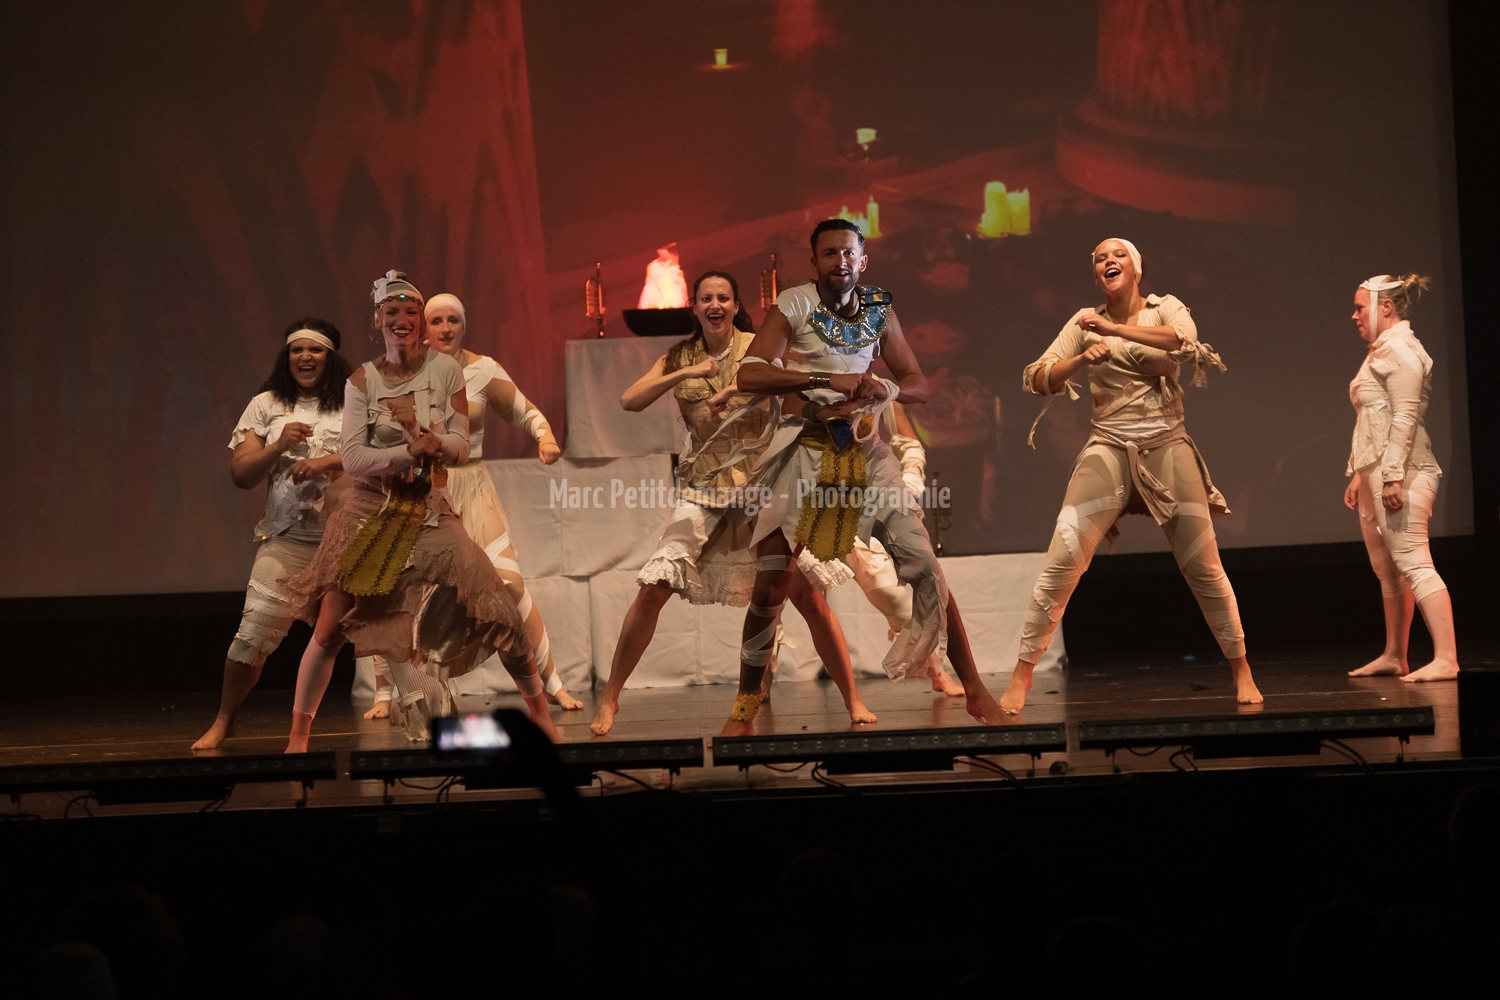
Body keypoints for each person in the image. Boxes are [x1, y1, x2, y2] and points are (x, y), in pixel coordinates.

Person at [723, 219, 1003, 735]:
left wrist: (884, 388)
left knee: (926, 567)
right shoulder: (794, 304)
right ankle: (743, 709)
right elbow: (749, 374)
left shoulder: (880, 309)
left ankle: (975, 689)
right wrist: (827, 378)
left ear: (863, 261)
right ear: (815, 262)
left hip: (868, 455)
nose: (840, 261)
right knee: (771, 585)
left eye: (849, 253)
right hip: (804, 453)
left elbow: (917, 383)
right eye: (830, 253)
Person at [590, 270, 875, 735]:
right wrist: (685, 373)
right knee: (655, 585)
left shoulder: (757, 347)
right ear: (695, 307)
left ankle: (853, 699)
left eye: (723, 297)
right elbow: (629, 400)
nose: (715, 305)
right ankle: (609, 698)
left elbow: (796, 387)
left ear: (736, 305)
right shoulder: (679, 356)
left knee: (805, 593)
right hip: (703, 488)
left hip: (761, 483)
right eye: (706, 298)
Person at [281, 270, 556, 749]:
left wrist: (428, 438)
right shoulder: (361, 380)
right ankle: (298, 737)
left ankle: (542, 716)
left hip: (428, 508)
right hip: (370, 511)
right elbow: (353, 458)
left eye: (411, 311)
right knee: (329, 629)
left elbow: (460, 446)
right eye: (393, 312)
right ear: (378, 320)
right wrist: (408, 448)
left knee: (498, 608)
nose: (403, 320)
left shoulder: (446, 371)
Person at [1004, 238, 1261, 714]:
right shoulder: (1084, 320)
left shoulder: (1165, 309)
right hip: (1108, 446)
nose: (1108, 261)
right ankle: (1022, 673)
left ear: (1136, 269)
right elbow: (1037, 377)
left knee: (1204, 567)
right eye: (1100, 258)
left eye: (1117, 255)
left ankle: (1241, 668)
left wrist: (1114, 330)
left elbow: (1184, 343)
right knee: (1062, 558)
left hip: (1166, 445)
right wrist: (1081, 359)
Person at [363, 291, 579, 720]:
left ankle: (552, 682)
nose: (445, 328)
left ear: (463, 326)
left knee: (509, 584)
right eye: (437, 321)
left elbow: (525, 410)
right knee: (396, 592)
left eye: (453, 321)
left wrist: (546, 437)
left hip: (470, 487)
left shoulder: (483, 370)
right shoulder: (405, 371)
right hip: (419, 490)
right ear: (424, 328)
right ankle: (384, 692)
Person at [192, 318, 350, 750]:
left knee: (384, 635)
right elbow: (242, 474)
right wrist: (278, 445)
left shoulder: (354, 401)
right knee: (251, 638)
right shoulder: (265, 405)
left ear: (330, 358)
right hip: (288, 538)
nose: (305, 357)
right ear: (286, 357)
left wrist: (326, 462)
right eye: (297, 349)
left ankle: (421, 728)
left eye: (315, 350)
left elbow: (374, 456)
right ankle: (225, 720)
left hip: (349, 541)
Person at [1343, 274, 1458, 681]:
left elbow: (1406, 417)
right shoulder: (1381, 350)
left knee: (1414, 562)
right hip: (1378, 472)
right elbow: (1374, 419)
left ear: (1386, 307)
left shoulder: (1403, 350)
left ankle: (1446, 658)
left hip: (1405, 472)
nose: (1354, 315)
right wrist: (1360, 472)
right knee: (1387, 570)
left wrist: (1392, 476)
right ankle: (1395, 655)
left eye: (1360, 307)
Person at [842, 403, 965, 697]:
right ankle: (761, 679)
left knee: (896, 598)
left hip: (875, 503)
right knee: (779, 587)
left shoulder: (875, 392)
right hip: (824, 504)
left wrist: (908, 483)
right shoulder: (813, 393)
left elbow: (910, 446)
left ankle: (937, 670)